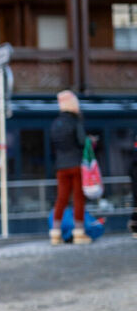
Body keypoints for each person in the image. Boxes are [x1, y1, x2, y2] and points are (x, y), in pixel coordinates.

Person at [49, 90, 89, 245]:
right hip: (76, 164)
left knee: (61, 198)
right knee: (78, 198)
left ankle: (55, 232)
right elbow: (81, 141)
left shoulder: (55, 123)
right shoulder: (75, 121)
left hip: (61, 166)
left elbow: (54, 145)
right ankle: (79, 232)